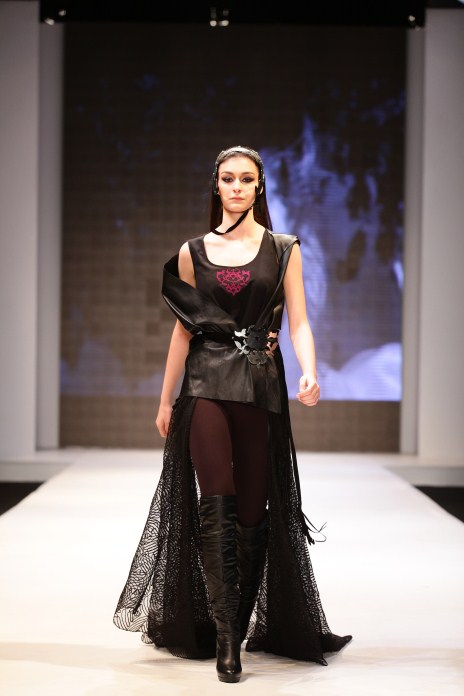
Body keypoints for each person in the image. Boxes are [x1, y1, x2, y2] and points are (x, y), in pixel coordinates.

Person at [113, 146, 352, 683]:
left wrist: (310, 370)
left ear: (260, 185)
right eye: (228, 178)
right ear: (216, 185)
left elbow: (299, 321)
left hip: (260, 386)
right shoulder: (192, 253)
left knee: (251, 512)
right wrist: (165, 398)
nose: (238, 187)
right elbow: (184, 330)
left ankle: (238, 622)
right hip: (205, 384)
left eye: (247, 179)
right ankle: (227, 641)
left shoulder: (284, 249)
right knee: (214, 504)